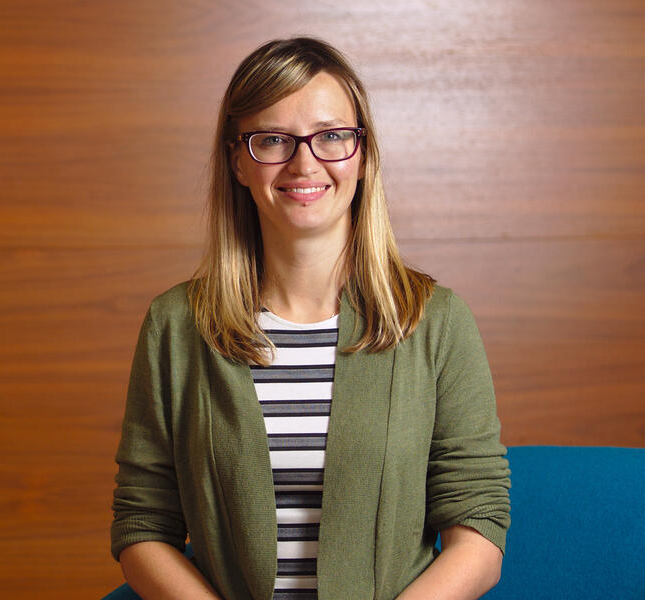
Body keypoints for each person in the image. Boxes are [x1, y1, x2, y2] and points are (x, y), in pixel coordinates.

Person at [110, 37, 510, 600]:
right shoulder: (176, 326)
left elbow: (479, 524)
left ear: (363, 154)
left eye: (331, 136)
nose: (305, 162)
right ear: (237, 161)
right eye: (272, 139)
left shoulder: (436, 322)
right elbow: (143, 522)